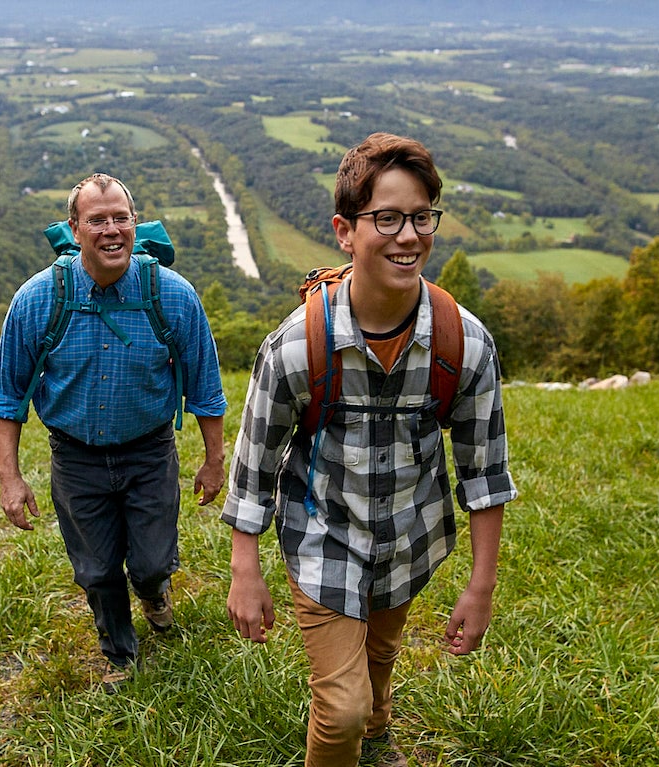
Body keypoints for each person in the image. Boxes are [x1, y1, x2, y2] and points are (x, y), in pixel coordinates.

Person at [221, 133, 517, 767]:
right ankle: (360, 724)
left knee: (379, 662)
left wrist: (481, 586)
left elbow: (484, 471)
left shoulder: (463, 344)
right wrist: (245, 569)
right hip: (323, 536)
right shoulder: (298, 348)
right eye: (386, 218)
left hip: (411, 540)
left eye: (420, 217)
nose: (408, 236)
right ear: (345, 231)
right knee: (342, 709)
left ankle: (378, 721)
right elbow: (254, 464)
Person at [0, 172, 227, 692]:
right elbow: (6, 396)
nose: (111, 229)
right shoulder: (38, 299)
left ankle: (154, 592)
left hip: (150, 451)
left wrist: (214, 459)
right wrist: (10, 479)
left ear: (136, 225)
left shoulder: (173, 296)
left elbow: (206, 385)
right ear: (75, 229)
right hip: (76, 458)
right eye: (97, 220)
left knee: (150, 562)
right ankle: (122, 655)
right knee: (96, 572)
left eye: (121, 218)